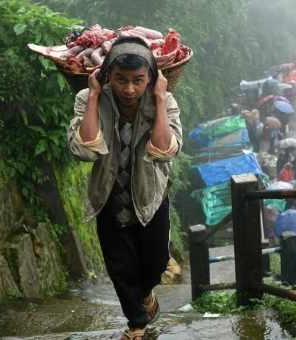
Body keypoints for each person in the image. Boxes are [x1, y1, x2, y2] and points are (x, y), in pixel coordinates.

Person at [67, 36, 182, 340]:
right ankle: (137, 324)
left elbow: (164, 150)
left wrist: (158, 99)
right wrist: (93, 96)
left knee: (157, 261)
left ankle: (145, 296)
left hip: (150, 196)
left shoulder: (164, 101)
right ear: (107, 76)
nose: (129, 89)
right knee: (120, 266)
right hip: (108, 196)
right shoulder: (89, 98)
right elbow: (85, 151)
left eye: (137, 80)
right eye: (120, 79)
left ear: (151, 79)